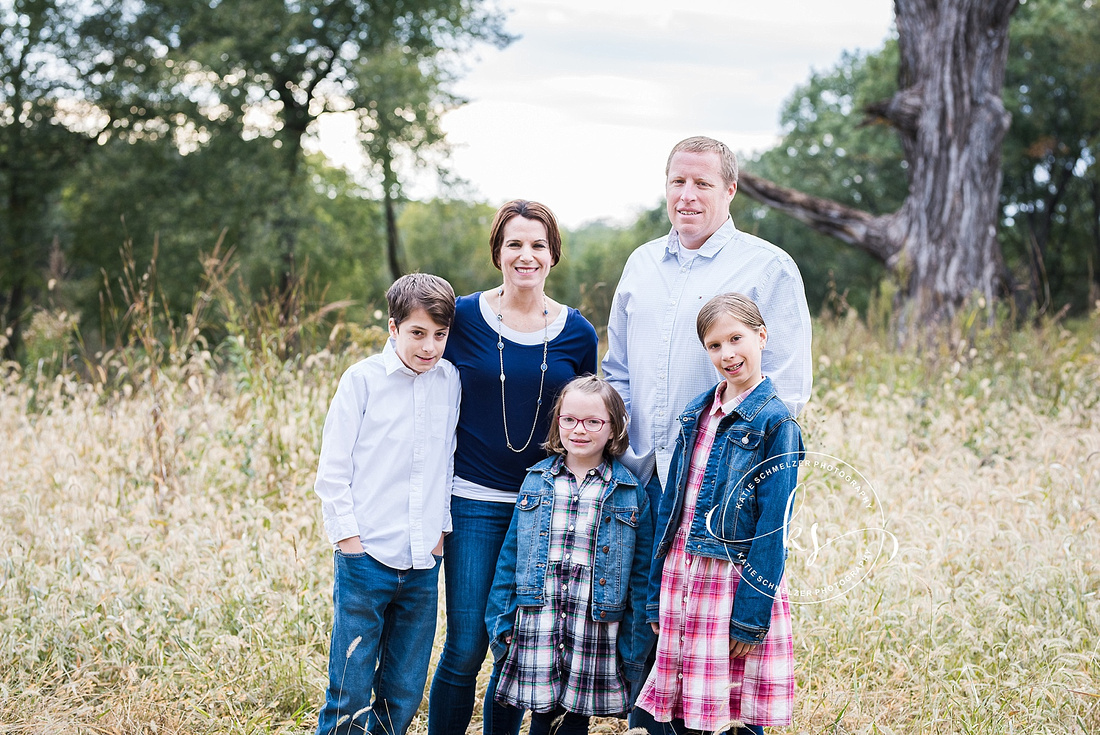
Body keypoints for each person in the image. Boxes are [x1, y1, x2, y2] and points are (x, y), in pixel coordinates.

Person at [601, 136, 812, 732]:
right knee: (647, 621)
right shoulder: (640, 263)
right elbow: (617, 370)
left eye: (702, 184)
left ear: (729, 190)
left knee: (720, 642)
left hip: (721, 493)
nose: (687, 195)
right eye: (677, 182)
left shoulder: (767, 266)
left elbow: (788, 386)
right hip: (643, 478)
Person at [429, 200, 600, 735]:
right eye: (514, 244)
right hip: (473, 501)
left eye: (537, 245)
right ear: (497, 252)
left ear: (553, 256)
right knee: (465, 645)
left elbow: (587, 420)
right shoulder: (459, 318)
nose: (526, 255)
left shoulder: (577, 333)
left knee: (520, 644)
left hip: (547, 510)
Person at [636, 293, 803, 735]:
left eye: (736, 338)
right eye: (714, 345)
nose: (727, 354)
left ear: (761, 336)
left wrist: (751, 615)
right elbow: (672, 508)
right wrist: (656, 590)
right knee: (688, 707)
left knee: (734, 707)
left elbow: (774, 526)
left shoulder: (775, 423)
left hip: (733, 580)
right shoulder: (697, 412)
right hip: (681, 573)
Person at [312, 273, 461, 735]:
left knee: (402, 691)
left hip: (422, 561)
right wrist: (349, 541)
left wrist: (439, 534)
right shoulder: (362, 380)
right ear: (393, 329)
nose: (429, 346)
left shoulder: (449, 380)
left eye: (440, 335)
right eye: (418, 333)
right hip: (367, 555)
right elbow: (333, 469)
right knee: (350, 690)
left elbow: (446, 460)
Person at [484, 376, 654, 735]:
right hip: (538, 622)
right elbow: (510, 558)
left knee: (572, 720)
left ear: (613, 428)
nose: (580, 430)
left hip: (593, 627)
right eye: (569, 419)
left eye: (593, 422)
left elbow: (640, 575)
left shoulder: (628, 492)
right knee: (535, 712)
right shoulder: (536, 481)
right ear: (558, 421)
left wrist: (634, 643)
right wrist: (500, 623)